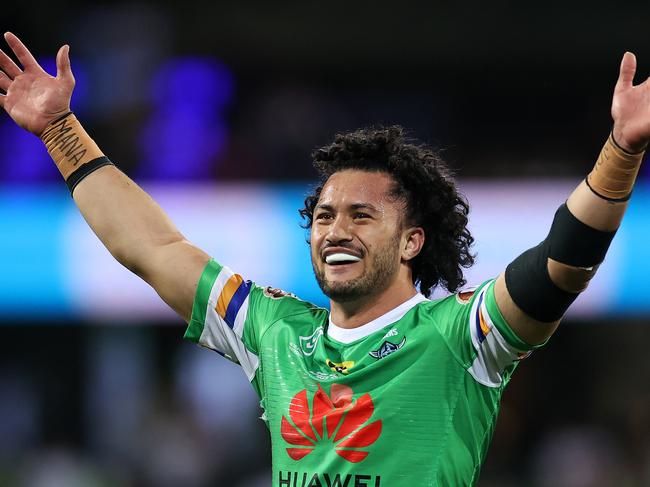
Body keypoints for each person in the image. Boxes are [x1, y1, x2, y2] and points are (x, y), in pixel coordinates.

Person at [0, 31, 647, 486]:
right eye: (325, 216)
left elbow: (560, 265)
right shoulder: (274, 332)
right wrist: (60, 131)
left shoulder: (458, 338)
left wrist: (620, 148)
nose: (335, 229)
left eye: (362, 215)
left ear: (412, 240)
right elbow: (153, 248)